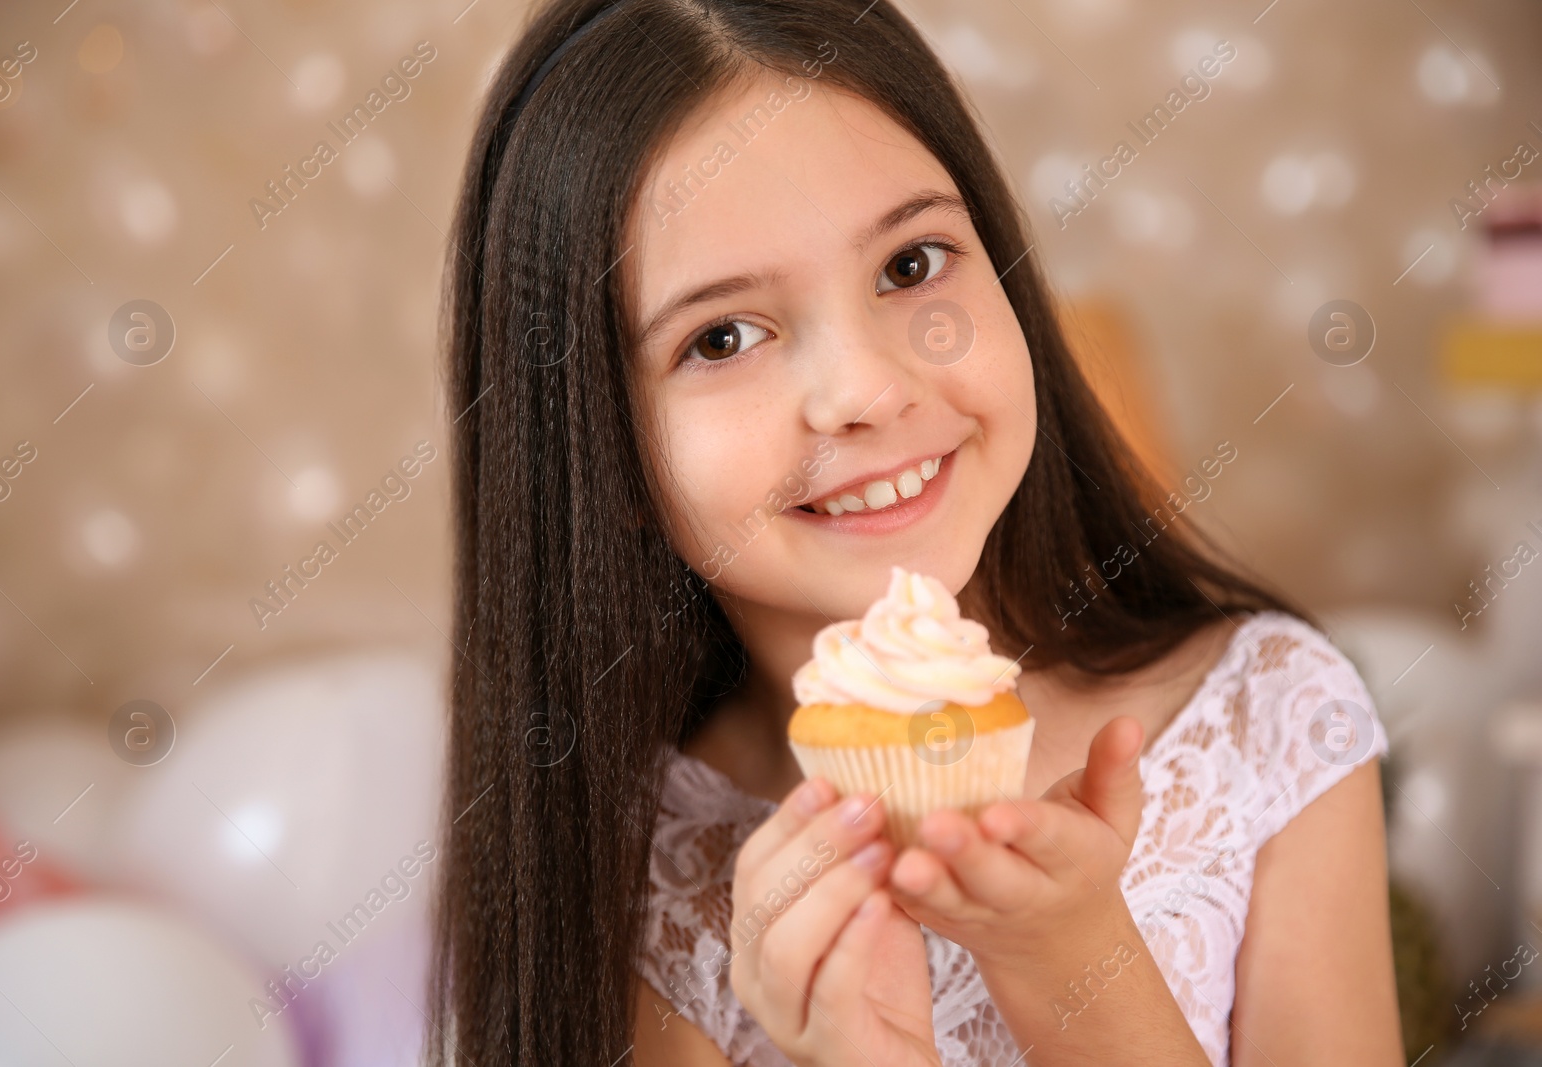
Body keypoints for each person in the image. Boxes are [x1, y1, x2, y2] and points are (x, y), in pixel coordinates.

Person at [426, 1, 1402, 1064]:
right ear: (594, 445)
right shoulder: (637, 875)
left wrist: (1073, 967)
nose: (865, 389)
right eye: (723, 335)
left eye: (908, 264)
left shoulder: (1266, 717)